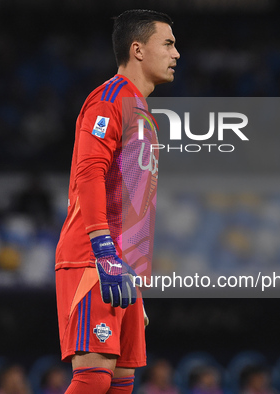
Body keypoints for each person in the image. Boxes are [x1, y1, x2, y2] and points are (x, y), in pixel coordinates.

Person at [55, 8, 180, 394]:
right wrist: (104, 250)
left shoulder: (144, 113)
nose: (177, 54)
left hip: (123, 267)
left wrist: (136, 276)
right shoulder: (108, 99)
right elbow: (88, 173)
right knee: (94, 379)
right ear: (138, 49)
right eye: (169, 43)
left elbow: (137, 206)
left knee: (121, 386)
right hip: (94, 257)